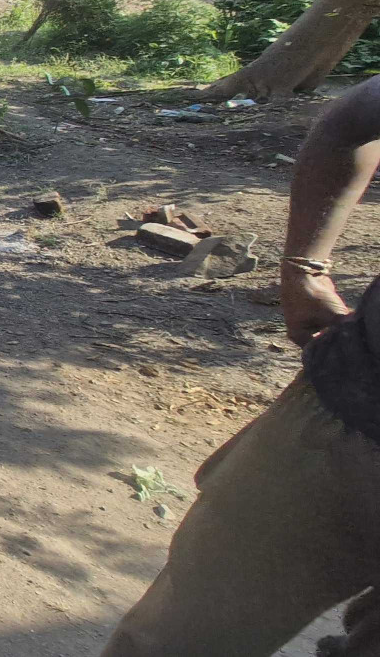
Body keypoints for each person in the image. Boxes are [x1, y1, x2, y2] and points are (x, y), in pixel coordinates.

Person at [101, 77, 380, 655]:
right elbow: (356, 116)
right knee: (180, 638)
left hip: (347, 422)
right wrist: (303, 267)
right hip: (348, 429)